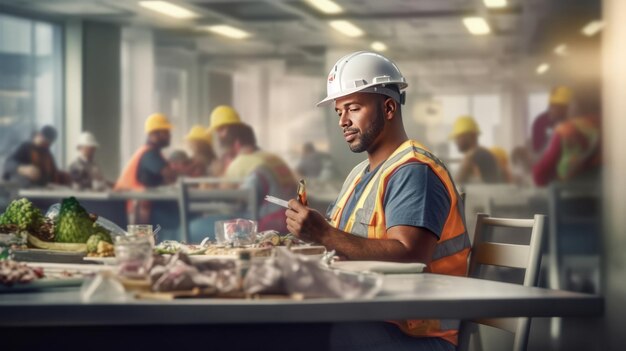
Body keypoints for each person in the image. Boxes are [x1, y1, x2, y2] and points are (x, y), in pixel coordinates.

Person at [284, 51, 470, 350]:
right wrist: (309, 235)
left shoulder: (413, 171)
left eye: (353, 108)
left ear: (388, 107)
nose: (343, 121)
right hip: (374, 312)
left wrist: (323, 234)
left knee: (291, 336)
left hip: (414, 333)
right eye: (339, 112)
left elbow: (412, 256)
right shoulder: (361, 173)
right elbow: (344, 242)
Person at [220, 123, 297, 232]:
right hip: (293, 219)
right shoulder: (273, 158)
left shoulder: (240, 162)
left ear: (237, 144)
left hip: (270, 224)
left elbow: (224, 194)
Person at [114, 113, 177, 224]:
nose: (169, 135)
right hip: (138, 208)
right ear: (154, 134)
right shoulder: (150, 154)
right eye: (166, 132)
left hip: (139, 206)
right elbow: (170, 175)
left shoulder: (151, 152)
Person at [532, 91, 601, 186]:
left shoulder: (566, 130)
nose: (569, 109)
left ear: (577, 106)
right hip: (601, 189)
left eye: (570, 104)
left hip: (568, 189)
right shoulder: (607, 127)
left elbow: (546, 164)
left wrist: (537, 178)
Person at [2, 125, 69, 187]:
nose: (45, 145)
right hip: (21, 189)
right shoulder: (25, 147)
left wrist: (67, 177)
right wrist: (22, 169)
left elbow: (53, 174)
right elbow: (7, 164)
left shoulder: (47, 153)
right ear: (39, 135)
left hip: (40, 190)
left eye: (48, 144)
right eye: (44, 142)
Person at [451, 116, 503, 184]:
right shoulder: (484, 153)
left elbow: (455, 185)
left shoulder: (472, 156)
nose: (456, 142)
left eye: (458, 137)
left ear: (470, 136)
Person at [531, 86, 572, 154]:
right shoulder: (540, 122)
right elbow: (537, 149)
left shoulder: (572, 122)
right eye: (552, 105)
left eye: (559, 106)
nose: (552, 109)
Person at [207, 105, 242, 174]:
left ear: (235, 128)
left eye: (221, 129)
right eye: (217, 131)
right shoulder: (224, 159)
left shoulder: (248, 154)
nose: (219, 136)